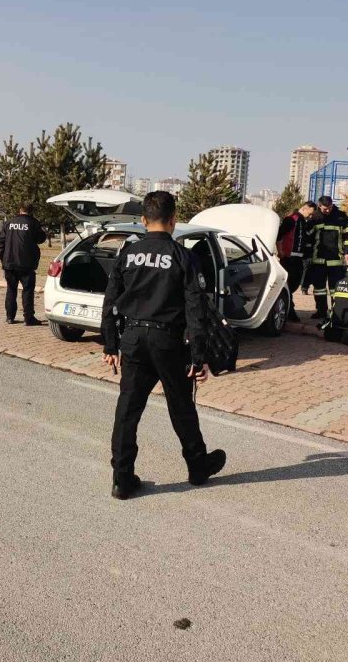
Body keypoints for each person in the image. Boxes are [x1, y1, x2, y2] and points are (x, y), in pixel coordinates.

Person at [101, 191, 227, 500]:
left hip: (133, 339)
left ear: (144, 220)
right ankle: (197, 467)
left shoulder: (128, 254)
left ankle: (122, 479)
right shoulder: (184, 257)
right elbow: (196, 310)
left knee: (127, 411)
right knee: (181, 407)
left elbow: (110, 302)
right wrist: (199, 356)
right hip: (168, 341)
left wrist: (110, 346)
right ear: (173, 220)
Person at [0, 203, 47, 326]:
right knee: (28, 290)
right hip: (27, 263)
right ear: (31, 211)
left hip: (9, 262)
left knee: (11, 289)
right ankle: (28, 318)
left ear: (20, 210)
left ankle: (10, 317)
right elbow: (41, 239)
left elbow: (1, 242)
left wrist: (2, 258)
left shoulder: (9, 223)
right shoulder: (33, 223)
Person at [306, 195, 348, 319]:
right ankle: (321, 311)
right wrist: (307, 255)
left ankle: (336, 312)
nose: (328, 210)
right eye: (325, 208)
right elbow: (308, 237)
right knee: (319, 289)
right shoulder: (315, 217)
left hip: (336, 259)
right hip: (318, 259)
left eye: (330, 207)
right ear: (319, 206)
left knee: (336, 289)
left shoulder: (341, 216)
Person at [276, 201, 317, 322]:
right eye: (310, 213)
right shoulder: (291, 219)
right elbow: (279, 235)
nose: (310, 216)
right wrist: (280, 251)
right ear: (305, 208)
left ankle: (288, 308)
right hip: (289, 258)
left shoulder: (302, 221)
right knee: (288, 284)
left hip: (299, 258)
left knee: (295, 283)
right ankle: (289, 311)